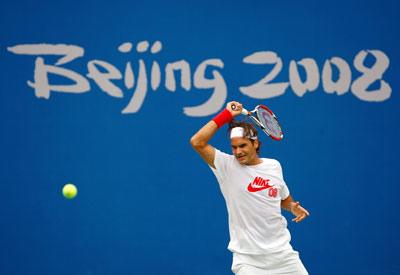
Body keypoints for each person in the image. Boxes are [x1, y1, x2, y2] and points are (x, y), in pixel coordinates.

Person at [190, 101, 310, 275]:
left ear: (255, 144)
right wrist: (226, 115)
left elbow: (283, 198)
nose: (238, 152)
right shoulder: (226, 166)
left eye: (243, 145)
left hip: (283, 256)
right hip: (249, 262)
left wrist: (292, 207)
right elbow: (197, 142)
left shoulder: (274, 166)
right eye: (234, 147)